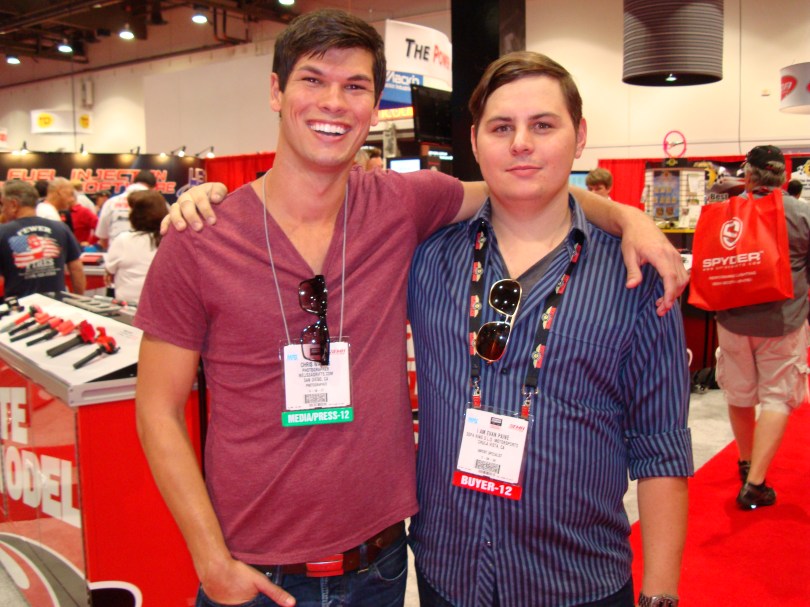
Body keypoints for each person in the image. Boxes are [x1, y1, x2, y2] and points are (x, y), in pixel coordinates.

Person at [136, 9, 687, 607]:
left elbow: (522, 184)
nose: (334, 103)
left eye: (355, 86)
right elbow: (157, 409)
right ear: (276, 91)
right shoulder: (202, 236)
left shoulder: (399, 209)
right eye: (313, 80)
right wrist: (210, 560)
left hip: (384, 567)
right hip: (258, 574)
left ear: (375, 107)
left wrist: (626, 216)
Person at [406, 51, 692, 607]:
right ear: (475, 141)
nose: (521, 144)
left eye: (542, 125)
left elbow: (661, 448)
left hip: (577, 580)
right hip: (447, 574)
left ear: (579, 136)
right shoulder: (426, 257)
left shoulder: (635, 274)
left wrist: (660, 595)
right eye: (501, 127)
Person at [714, 145, 810, 511]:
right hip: (782, 321)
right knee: (777, 397)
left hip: (731, 320)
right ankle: (755, 484)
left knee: (738, 393)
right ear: (783, 176)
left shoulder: (725, 212)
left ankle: (745, 460)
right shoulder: (801, 214)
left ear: (748, 174)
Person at [0, 180, 85, 297]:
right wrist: (79, 299)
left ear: (14, 204)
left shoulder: (3, 232)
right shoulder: (61, 228)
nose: (2, 210)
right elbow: (76, 269)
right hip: (57, 305)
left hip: (21, 305)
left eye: (3, 204)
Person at [104, 190, 168, 304]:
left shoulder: (124, 240)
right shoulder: (170, 240)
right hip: (162, 306)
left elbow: (109, 272)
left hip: (128, 307)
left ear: (136, 215)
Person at [96, 169, 157, 250]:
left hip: (116, 253)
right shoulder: (158, 203)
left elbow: (103, 239)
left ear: (133, 182)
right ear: (154, 187)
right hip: (148, 254)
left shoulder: (111, 202)